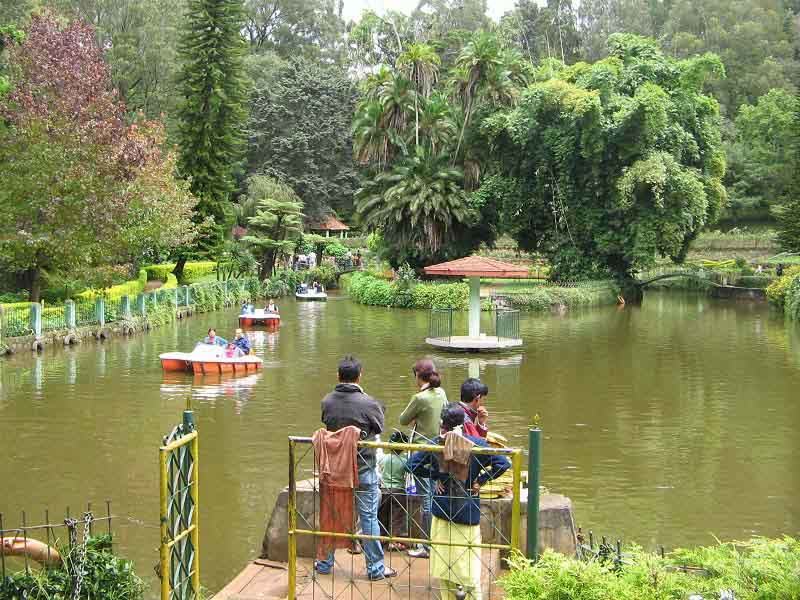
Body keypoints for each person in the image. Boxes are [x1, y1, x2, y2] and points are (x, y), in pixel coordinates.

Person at [408, 404, 510, 600]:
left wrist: (437, 475)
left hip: (442, 510)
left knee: (445, 564)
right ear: (465, 423)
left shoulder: (437, 443)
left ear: (442, 424)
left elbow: (411, 465)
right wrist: (480, 480)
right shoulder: (476, 443)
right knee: (469, 565)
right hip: (467, 511)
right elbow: (504, 463)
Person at [316, 356, 397, 581]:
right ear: (359, 376)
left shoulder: (327, 401)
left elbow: (327, 422)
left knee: (332, 515)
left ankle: (324, 563)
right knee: (369, 517)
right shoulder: (369, 403)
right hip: (363, 469)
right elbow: (379, 426)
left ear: (338, 376)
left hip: (335, 470)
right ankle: (375, 569)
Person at [398, 358, 448, 558]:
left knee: (426, 499)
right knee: (436, 494)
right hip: (438, 450)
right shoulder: (441, 393)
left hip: (421, 452)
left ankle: (427, 546)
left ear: (418, 376)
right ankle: (437, 541)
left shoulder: (420, 398)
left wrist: (415, 418)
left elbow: (402, 419)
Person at [378, 431, 410, 551]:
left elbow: (379, 466)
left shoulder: (384, 458)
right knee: (397, 516)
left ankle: (381, 537)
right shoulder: (405, 459)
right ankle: (394, 540)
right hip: (399, 490)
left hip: (384, 490)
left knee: (382, 515)